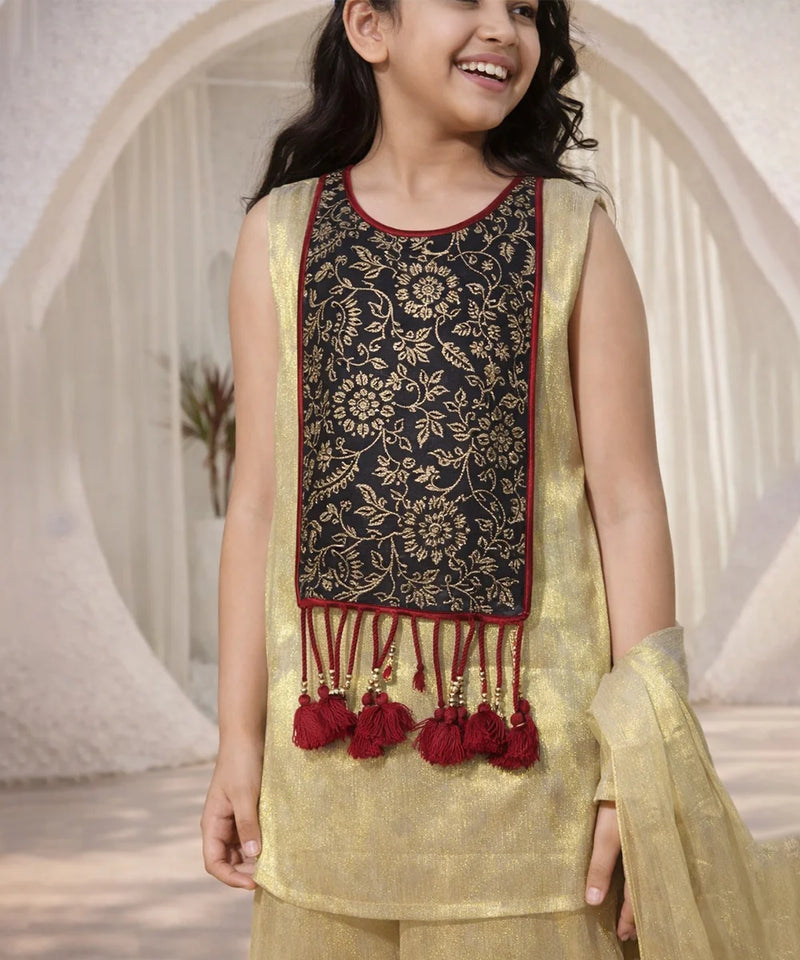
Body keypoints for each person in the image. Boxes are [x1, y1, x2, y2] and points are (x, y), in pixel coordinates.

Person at [200, 1, 800, 958]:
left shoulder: (573, 236)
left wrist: (632, 775)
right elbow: (258, 504)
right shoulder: (280, 238)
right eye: (469, 0)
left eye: (523, 9)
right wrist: (237, 740)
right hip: (325, 784)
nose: (503, 29)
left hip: (536, 794)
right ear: (370, 26)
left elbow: (630, 503)